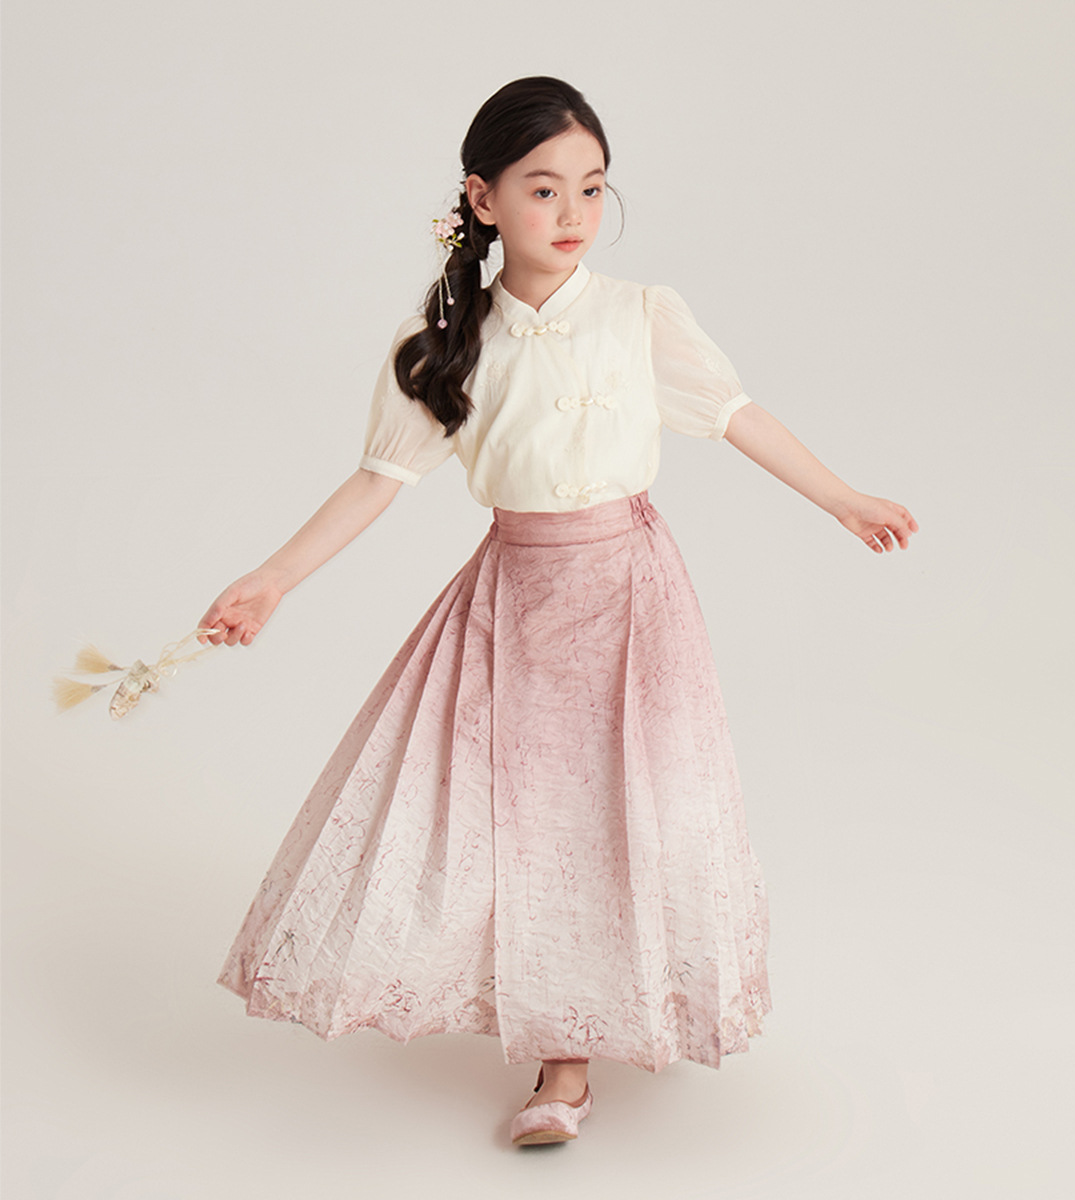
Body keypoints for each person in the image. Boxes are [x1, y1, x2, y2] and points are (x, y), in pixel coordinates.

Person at [199, 76, 919, 1147]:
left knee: (633, 810)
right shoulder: (446, 341)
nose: (574, 213)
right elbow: (376, 481)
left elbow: (738, 415)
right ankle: (559, 1055)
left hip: (631, 593)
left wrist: (844, 499)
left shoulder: (640, 314)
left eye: (591, 187)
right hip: (517, 602)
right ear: (482, 199)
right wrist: (271, 578)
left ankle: (606, 1029)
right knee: (521, 820)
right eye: (543, 190)